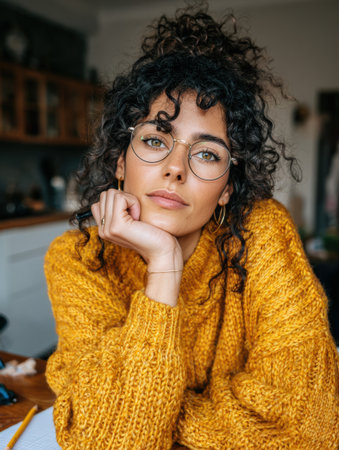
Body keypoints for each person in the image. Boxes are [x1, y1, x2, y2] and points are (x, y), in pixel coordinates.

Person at [44, 5, 339, 449]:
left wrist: (163, 418)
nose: (175, 169)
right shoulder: (78, 260)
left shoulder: (262, 232)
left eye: (206, 154)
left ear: (225, 188)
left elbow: (310, 427)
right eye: (155, 140)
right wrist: (163, 266)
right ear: (121, 162)